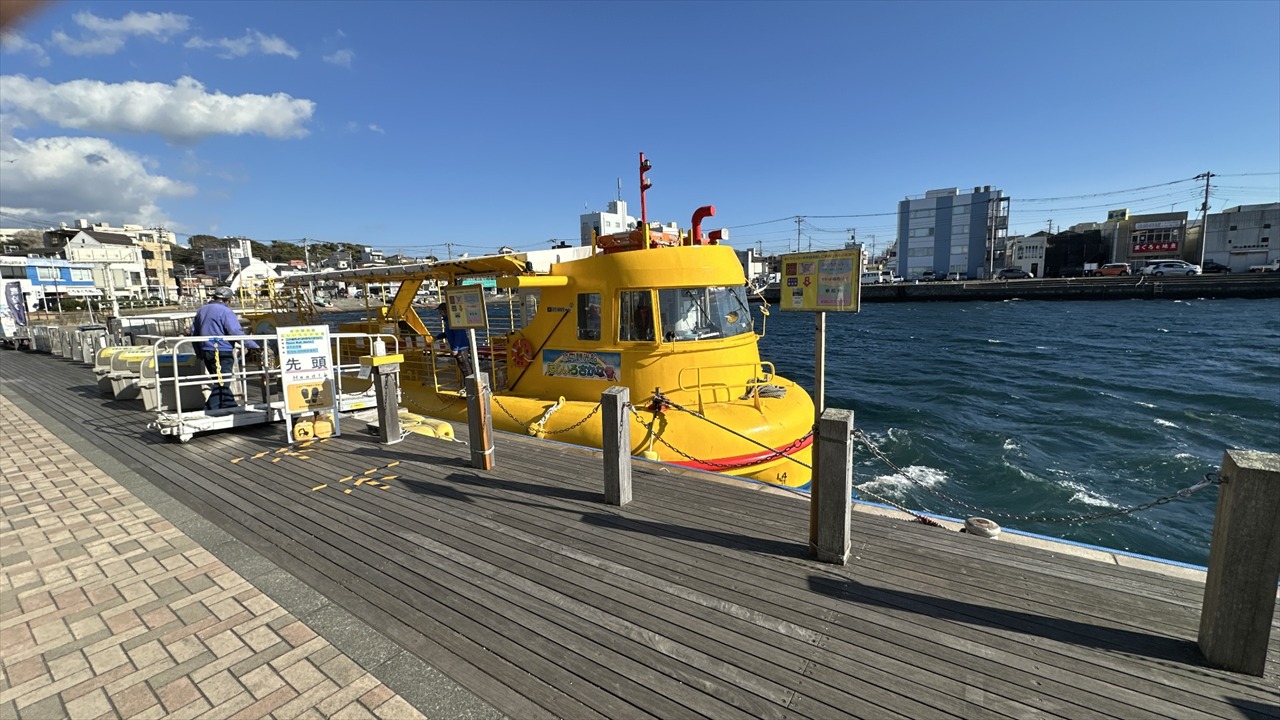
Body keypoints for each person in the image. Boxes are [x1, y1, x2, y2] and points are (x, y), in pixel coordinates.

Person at [190, 287, 259, 410]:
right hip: (222, 350)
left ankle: (229, 404)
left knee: (219, 381)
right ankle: (210, 409)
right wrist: (253, 345)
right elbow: (235, 331)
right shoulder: (226, 312)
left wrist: (198, 351)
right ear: (229, 299)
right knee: (222, 382)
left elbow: (194, 333)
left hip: (206, 350)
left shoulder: (201, 310)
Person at [434, 302, 470, 374]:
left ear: (445, 311)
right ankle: (467, 380)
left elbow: (458, 335)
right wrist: (438, 337)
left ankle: (470, 381)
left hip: (461, 348)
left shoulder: (452, 321)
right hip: (459, 348)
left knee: (466, 368)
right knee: (463, 368)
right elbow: (449, 333)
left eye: (440, 312)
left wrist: (455, 348)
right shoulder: (448, 321)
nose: (440, 314)